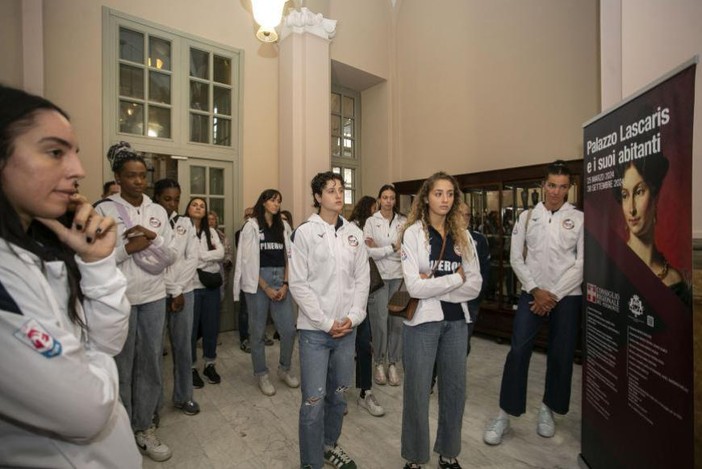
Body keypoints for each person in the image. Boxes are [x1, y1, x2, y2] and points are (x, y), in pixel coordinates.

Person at [0, 85, 141, 468]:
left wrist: (96, 263)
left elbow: (108, 341)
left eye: (74, 153)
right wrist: (89, 367)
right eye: (54, 152)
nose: (78, 170)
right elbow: (88, 409)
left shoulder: (42, 248)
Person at [483, 160, 583, 446]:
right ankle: (505, 414)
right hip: (532, 294)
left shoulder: (579, 218)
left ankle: (548, 409)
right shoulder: (528, 217)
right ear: (543, 185)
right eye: (551, 185)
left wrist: (553, 295)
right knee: (517, 351)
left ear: (569, 188)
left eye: (562, 187)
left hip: (566, 297)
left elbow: (581, 263)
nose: (556, 192)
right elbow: (516, 258)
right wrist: (536, 290)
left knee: (562, 355)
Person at [95, 141, 177, 462]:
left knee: (151, 362)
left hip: (154, 297)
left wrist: (153, 238)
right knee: (122, 364)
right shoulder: (104, 210)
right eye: (132, 176)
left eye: (143, 176)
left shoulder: (157, 211)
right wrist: (126, 249)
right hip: (121, 299)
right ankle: (122, 429)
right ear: (118, 176)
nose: (139, 182)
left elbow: (171, 255)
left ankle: (144, 427)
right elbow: (96, 260)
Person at [400, 171, 482, 469]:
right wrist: (454, 280)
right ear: (426, 197)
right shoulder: (412, 234)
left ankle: (449, 453)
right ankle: (414, 458)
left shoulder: (464, 235)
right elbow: (414, 287)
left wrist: (435, 284)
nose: (444, 199)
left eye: (449, 194)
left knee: (455, 391)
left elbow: (475, 285)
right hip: (421, 322)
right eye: (438, 193)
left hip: (457, 323)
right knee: (418, 391)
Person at [289, 171, 369, 469]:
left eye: (341, 189)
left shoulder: (354, 234)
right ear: (318, 197)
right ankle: (310, 463)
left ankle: (328, 446)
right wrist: (325, 322)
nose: (338, 194)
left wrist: (353, 317)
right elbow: (298, 284)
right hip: (315, 332)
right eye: (331, 190)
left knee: (338, 397)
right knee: (313, 401)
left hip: (346, 331)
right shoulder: (304, 233)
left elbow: (362, 280)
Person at [233, 189, 299, 396]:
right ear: (263, 202)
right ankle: (261, 373)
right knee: (258, 331)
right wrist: (266, 287)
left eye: (279, 200)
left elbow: (290, 257)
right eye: (272, 200)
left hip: (281, 278)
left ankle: (284, 369)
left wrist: (286, 284)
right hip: (258, 283)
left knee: (288, 330)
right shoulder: (251, 226)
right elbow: (246, 262)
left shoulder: (284, 226)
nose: (276, 204)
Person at [614, 153, 689, 304]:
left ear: (655, 196)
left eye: (639, 192)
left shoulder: (674, 279)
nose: (632, 209)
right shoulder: (612, 265)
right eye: (625, 195)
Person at [153, 179, 200, 416]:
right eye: (166, 199)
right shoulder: (150, 221)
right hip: (157, 292)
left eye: (176, 199)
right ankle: (152, 404)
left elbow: (192, 257)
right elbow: (155, 260)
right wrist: (173, 289)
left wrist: (180, 288)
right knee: (153, 352)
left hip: (185, 292)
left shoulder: (185, 223)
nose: (172, 204)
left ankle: (183, 396)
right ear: (157, 198)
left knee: (183, 348)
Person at [364, 184, 407, 386]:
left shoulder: (404, 222)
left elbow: (407, 250)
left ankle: (393, 363)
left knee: (396, 323)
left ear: (395, 200)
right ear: (379, 199)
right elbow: (367, 251)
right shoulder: (371, 222)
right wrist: (391, 248)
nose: (388, 201)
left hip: (400, 277)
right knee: (380, 322)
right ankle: (379, 362)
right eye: (385, 197)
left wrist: (380, 249)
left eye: (392, 197)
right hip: (379, 278)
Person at [348, 196, 385, 417]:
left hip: (359, 300)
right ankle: (338, 393)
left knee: (363, 345)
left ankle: (365, 392)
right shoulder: (349, 229)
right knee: (340, 351)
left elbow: (366, 259)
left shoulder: (358, 231)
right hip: (339, 301)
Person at [186, 197, 225, 387]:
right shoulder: (183, 229)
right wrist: (206, 260)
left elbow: (221, 253)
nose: (198, 208)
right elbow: (184, 257)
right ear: (188, 208)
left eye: (202, 206)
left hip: (210, 287)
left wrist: (200, 257)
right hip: (191, 287)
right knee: (191, 330)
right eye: (195, 205)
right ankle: (191, 367)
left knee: (211, 328)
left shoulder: (211, 232)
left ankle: (210, 364)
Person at [459, 201, 491, 355]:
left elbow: (485, 271)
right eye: (460, 214)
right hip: (448, 299)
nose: (465, 218)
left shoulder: (479, 239)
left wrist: (478, 295)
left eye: (467, 215)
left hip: (471, 300)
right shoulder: (444, 237)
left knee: (463, 343)